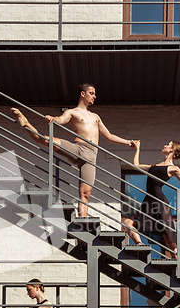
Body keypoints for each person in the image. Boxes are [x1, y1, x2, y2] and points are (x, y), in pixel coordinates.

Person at [10, 83, 134, 217]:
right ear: (83, 94)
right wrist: (53, 119)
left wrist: (127, 142)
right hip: (78, 149)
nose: (95, 96)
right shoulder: (72, 112)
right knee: (46, 140)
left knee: (85, 195)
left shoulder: (95, 117)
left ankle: (83, 221)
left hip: (91, 156)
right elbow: (61, 120)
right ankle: (26, 123)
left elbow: (109, 136)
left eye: (94, 94)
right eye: (91, 93)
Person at [122, 140, 180, 258]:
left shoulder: (174, 169)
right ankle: (140, 245)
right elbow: (135, 166)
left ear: (172, 149)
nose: (164, 145)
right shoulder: (153, 166)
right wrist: (138, 149)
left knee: (168, 237)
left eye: (167, 145)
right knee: (127, 222)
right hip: (148, 202)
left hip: (160, 202)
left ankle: (177, 266)